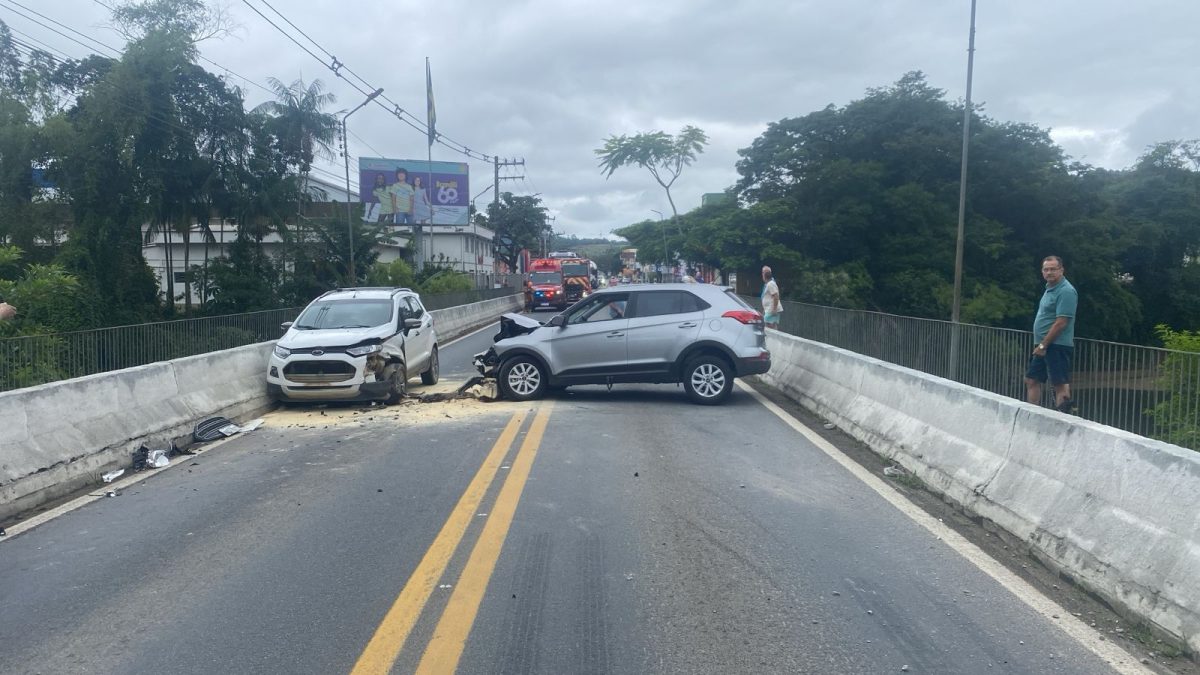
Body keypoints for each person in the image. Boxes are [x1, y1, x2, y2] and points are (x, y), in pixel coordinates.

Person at [1025, 255, 1079, 413]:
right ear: (1042, 271)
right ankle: (1033, 414)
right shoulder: (1050, 288)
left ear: (1061, 270)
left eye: (1053, 269)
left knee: (1059, 383)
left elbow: (1061, 322)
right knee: (1031, 379)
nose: (1049, 272)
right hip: (1044, 344)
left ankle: (1063, 419)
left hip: (1056, 344)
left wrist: (1043, 345)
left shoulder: (1066, 291)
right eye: (1046, 269)